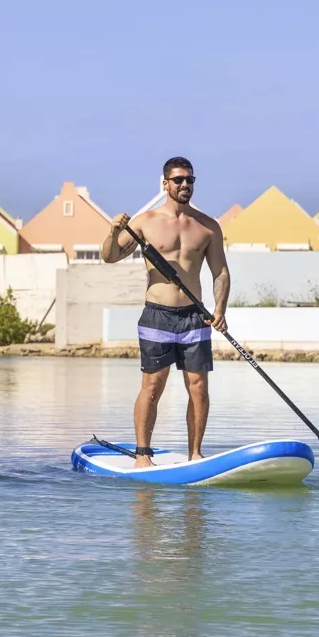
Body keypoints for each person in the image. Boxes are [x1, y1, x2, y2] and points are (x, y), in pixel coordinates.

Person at [102, 157, 230, 467]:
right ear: (165, 183)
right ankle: (143, 455)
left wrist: (219, 309)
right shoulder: (145, 222)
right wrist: (112, 230)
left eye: (190, 180)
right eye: (178, 180)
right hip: (157, 315)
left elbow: (220, 272)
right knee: (153, 385)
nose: (185, 185)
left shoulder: (207, 226)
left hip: (194, 316)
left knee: (198, 387)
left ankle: (195, 454)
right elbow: (111, 256)